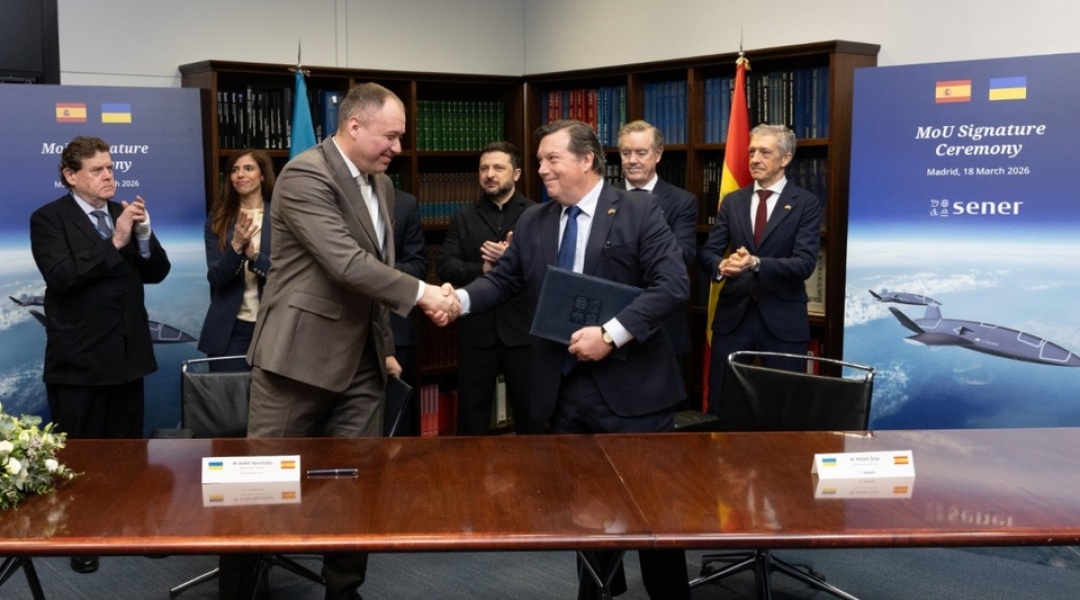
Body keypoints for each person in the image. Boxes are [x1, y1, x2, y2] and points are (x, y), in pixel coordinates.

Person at [451, 120, 691, 600]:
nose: (541, 169)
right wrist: (458, 301)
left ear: (586, 160)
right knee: (584, 509)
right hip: (563, 388)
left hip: (632, 390)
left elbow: (673, 286)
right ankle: (597, 591)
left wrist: (611, 335)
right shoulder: (535, 220)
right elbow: (503, 282)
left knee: (654, 513)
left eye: (551, 159)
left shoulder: (640, 210)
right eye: (539, 160)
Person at [243, 82, 456, 600]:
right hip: (297, 358)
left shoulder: (381, 185)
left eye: (401, 138)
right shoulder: (305, 175)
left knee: (356, 481)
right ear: (354, 126)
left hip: (364, 360)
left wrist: (385, 348)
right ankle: (244, 588)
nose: (398, 148)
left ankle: (343, 589)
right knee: (261, 485)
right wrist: (425, 293)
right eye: (391, 136)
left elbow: (375, 276)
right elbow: (345, 263)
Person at [29, 135, 170, 575]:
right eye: (97, 170)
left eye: (110, 167)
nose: (109, 176)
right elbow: (62, 277)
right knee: (80, 458)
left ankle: (131, 525)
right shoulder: (48, 219)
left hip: (127, 358)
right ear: (71, 176)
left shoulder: (120, 212)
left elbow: (158, 272)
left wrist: (142, 237)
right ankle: (82, 537)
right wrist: (115, 241)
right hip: (79, 363)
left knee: (127, 454)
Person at [698, 123, 821, 414]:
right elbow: (708, 253)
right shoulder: (733, 201)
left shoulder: (806, 204)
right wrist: (721, 265)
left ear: (785, 158)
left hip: (782, 320)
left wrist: (756, 263)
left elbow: (804, 263)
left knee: (785, 406)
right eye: (752, 151)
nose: (754, 159)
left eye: (764, 152)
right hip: (733, 318)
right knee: (721, 401)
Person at [436, 141, 541, 436]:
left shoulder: (536, 214)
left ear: (516, 173)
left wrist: (513, 260)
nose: (489, 174)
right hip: (477, 331)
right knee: (471, 417)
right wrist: (481, 271)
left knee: (531, 416)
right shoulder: (463, 216)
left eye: (498, 168)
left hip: (523, 331)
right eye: (484, 168)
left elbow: (548, 268)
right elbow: (445, 265)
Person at [617, 120, 698, 359]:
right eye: (625, 153)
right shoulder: (603, 197)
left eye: (641, 153)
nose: (632, 160)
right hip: (612, 319)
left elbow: (684, 255)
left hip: (663, 324)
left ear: (658, 154)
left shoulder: (683, 201)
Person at [197, 150, 275, 367]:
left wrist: (254, 257)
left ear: (262, 175)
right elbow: (216, 278)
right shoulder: (218, 219)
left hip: (274, 327)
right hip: (230, 331)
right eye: (234, 170)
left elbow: (290, 275)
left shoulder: (282, 216)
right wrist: (236, 248)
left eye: (248, 168)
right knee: (226, 390)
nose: (240, 175)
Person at [387, 187, 428, 436]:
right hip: (345, 330)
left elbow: (418, 267)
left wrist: (374, 269)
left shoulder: (405, 203)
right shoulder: (336, 195)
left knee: (399, 425)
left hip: (396, 329)